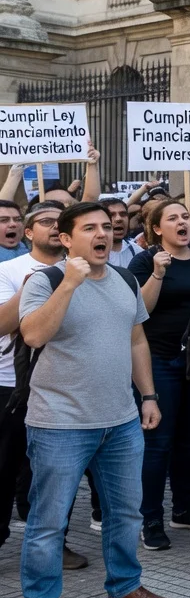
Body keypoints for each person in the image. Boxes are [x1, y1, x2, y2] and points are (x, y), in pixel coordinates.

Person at [18, 202, 173, 598]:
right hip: (59, 424)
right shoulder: (45, 280)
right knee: (49, 522)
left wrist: (147, 395)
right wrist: (69, 283)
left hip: (121, 421)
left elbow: (136, 337)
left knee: (125, 512)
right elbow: (33, 335)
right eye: (90, 228)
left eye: (106, 227)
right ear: (66, 240)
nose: (103, 233)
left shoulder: (125, 278)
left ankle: (124, 588)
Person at [0, 203, 90, 570]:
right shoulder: (8, 271)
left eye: (61, 222)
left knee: (52, 473)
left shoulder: (85, 271)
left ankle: (56, 544)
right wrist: (32, 289)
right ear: (28, 233)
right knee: (4, 470)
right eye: (46, 222)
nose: (54, 228)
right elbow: (6, 326)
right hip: (10, 388)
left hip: (60, 388)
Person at [127, 201, 190, 551]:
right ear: (157, 229)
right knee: (158, 443)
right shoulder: (146, 260)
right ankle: (151, 518)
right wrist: (158, 274)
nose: (184, 222)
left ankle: (184, 508)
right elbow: (139, 311)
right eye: (173, 218)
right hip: (159, 361)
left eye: (186, 217)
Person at [102, 198, 142, 268]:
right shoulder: (89, 254)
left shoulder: (137, 252)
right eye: (111, 215)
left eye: (123, 214)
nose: (119, 219)